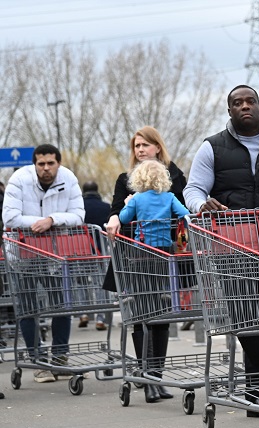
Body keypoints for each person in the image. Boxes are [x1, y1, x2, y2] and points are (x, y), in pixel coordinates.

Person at [184, 84, 259, 417]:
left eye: (250, 101)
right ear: (229, 110)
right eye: (237, 103)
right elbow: (193, 189)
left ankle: (256, 394)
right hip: (229, 245)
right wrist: (202, 204)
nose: (245, 106)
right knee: (244, 315)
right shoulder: (211, 148)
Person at [104, 126, 187, 403]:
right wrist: (117, 214)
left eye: (145, 145)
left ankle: (156, 375)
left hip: (166, 253)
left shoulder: (173, 177)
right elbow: (117, 210)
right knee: (143, 313)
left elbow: (183, 212)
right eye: (136, 146)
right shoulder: (125, 180)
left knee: (161, 314)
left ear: (158, 148)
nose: (140, 150)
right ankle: (145, 373)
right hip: (135, 255)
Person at [2, 144, 85, 383]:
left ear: (58, 162)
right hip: (23, 252)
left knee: (61, 305)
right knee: (29, 308)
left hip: (54, 253)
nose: (46, 168)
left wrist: (52, 220)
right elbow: (9, 216)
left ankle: (59, 358)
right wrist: (39, 222)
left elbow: (79, 214)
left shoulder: (68, 178)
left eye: (51, 163)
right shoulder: (19, 179)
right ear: (34, 164)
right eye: (41, 164)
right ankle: (38, 360)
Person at [80, 181, 112, 331]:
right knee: (100, 284)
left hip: (81, 251)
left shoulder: (78, 208)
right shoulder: (106, 207)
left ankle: (83, 313)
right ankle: (100, 318)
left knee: (81, 283)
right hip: (101, 252)